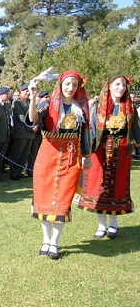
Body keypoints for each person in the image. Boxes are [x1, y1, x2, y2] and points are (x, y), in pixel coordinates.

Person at [28, 69, 92, 260]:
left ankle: (55, 242)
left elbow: (84, 134)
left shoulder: (80, 109)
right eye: (67, 84)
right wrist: (32, 96)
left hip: (71, 160)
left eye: (74, 84)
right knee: (44, 200)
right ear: (60, 84)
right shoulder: (47, 105)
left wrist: (87, 156)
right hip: (47, 157)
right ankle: (45, 240)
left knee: (63, 201)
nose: (70, 88)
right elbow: (32, 119)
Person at [76, 76, 140, 239]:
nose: (121, 87)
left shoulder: (129, 106)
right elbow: (90, 128)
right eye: (117, 84)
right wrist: (86, 151)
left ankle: (113, 224)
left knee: (117, 187)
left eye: (123, 85)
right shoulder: (99, 106)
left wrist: (135, 144)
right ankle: (101, 225)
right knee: (99, 186)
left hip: (121, 151)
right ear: (109, 86)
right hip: (100, 150)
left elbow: (135, 128)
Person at [10, 84, 35, 180]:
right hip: (21, 132)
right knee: (17, 153)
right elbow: (21, 117)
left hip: (30, 133)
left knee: (25, 154)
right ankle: (13, 172)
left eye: (28, 91)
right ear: (21, 91)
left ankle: (19, 171)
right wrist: (31, 127)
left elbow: (35, 115)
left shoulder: (30, 101)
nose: (27, 93)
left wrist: (35, 125)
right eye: (26, 91)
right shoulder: (17, 102)